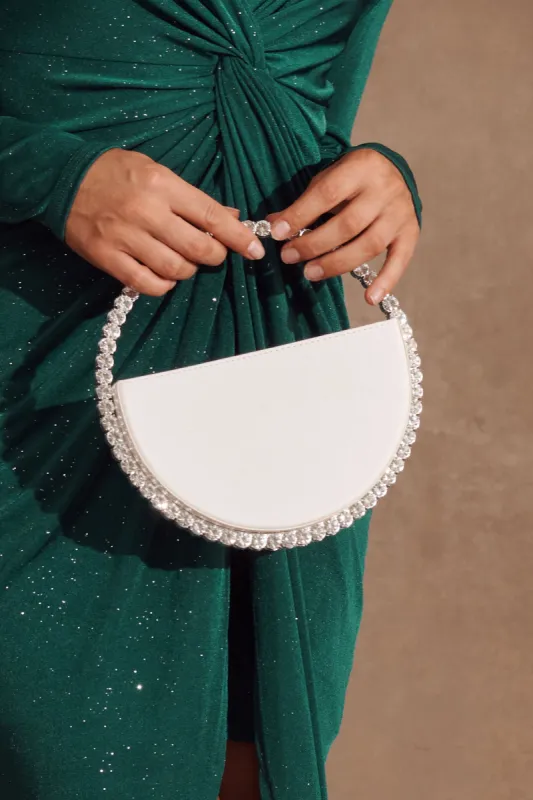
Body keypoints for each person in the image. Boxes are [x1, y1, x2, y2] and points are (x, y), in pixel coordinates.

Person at [0, 1, 422, 798]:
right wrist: (43, 174)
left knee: (254, 751)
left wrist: (388, 184)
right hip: (34, 394)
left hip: (275, 384)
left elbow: (315, 106)